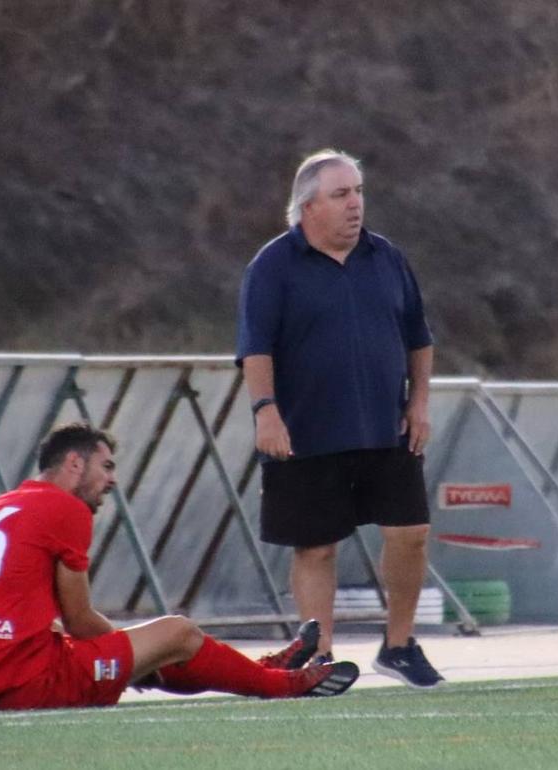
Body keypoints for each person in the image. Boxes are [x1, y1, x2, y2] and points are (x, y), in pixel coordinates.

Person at [0, 422, 359, 711]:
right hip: (28, 685)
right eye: (106, 467)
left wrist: (134, 656)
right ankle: (280, 684)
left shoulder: (1, 506)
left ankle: (261, 670)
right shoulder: (65, 508)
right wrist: (140, 658)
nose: (112, 480)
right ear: (74, 464)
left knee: (156, 645)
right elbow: (80, 621)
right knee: (177, 632)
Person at [235, 149, 442, 688]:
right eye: (341, 194)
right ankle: (319, 658)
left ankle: (399, 646)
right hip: (305, 431)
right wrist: (265, 412)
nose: (355, 204)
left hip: (386, 426)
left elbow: (419, 338)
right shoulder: (273, 266)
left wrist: (419, 402)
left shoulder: (387, 257)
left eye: (358, 192)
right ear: (309, 207)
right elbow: (256, 348)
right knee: (316, 546)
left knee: (411, 532)